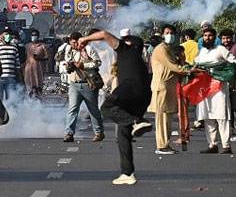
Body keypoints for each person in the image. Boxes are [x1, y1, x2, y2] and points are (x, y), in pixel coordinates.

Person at [78, 30, 152, 185]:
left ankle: (136, 121)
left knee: (106, 107)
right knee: (123, 134)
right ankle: (127, 173)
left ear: (128, 44)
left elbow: (104, 34)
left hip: (130, 88)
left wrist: (85, 39)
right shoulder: (138, 59)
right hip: (144, 95)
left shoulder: (126, 50)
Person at [148, 24, 190, 154]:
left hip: (170, 87)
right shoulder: (161, 49)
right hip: (162, 86)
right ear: (162, 34)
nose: (169, 35)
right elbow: (173, 67)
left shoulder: (170, 49)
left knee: (168, 117)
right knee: (162, 118)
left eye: (172, 32)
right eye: (167, 32)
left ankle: (165, 143)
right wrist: (189, 70)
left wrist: (184, 62)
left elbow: (178, 64)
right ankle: (161, 146)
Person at [195, 27, 235, 154]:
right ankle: (212, 145)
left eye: (210, 35)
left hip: (219, 88)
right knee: (207, 116)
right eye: (205, 35)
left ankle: (226, 145)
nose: (207, 38)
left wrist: (220, 73)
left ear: (215, 37)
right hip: (204, 89)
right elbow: (196, 65)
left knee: (222, 116)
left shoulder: (221, 49)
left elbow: (233, 63)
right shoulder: (202, 52)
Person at [63, 31, 105, 142]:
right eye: (71, 43)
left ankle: (99, 132)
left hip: (88, 84)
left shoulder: (88, 49)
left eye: (74, 43)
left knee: (93, 110)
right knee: (72, 109)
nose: (73, 45)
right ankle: (69, 133)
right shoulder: (69, 50)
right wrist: (69, 66)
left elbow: (97, 63)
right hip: (74, 83)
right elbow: (67, 62)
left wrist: (83, 65)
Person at [0, 27, 20, 100]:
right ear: (2, 35)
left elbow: (17, 64)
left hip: (11, 77)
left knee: (11, 99)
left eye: (9, 34)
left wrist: (18, 77)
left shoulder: (14, 47)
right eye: (6, 34)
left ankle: (10, 111)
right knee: (0, 98)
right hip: (0, 77)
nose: (8, 35)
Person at [23, 29, 48, 99]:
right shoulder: (27, 46)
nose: (34, 36)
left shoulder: (42, 46)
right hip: (28, 69)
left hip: (38, 69)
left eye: (35, 35)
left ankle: (39, 103)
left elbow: (47, 58)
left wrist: (39, 58)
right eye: (32, 35)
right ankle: (30, 103)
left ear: (38, 36)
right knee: (29, 86)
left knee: (38, 86)